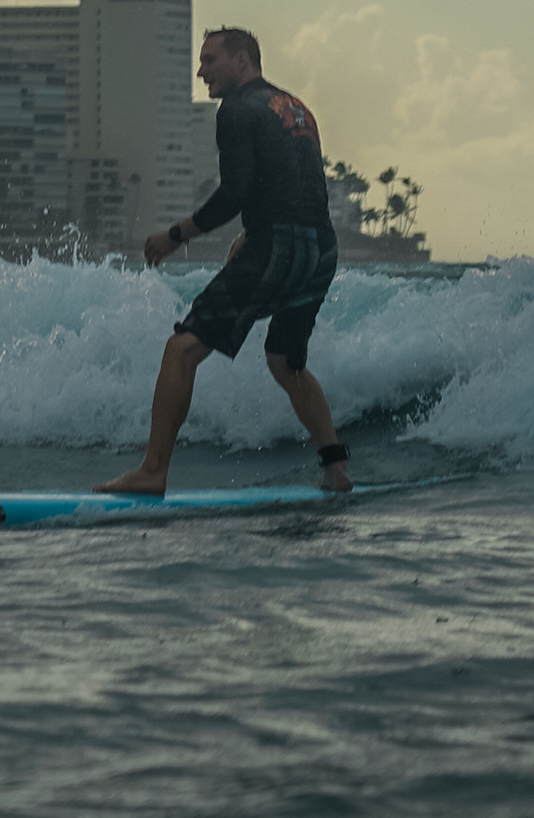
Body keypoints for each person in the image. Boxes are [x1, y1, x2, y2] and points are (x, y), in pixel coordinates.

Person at [94, 26, 350, 496]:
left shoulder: (236, 109)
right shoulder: (295, 109)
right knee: (285, 361)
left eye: (210, 60)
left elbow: (235, 192)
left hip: (279, 246)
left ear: (242, 61)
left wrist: (176, 236)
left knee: (182, 349)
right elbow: (295, 180)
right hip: (321, 247)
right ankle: (336, 470)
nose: (201, 71)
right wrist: (254, 233)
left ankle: (152, 472)